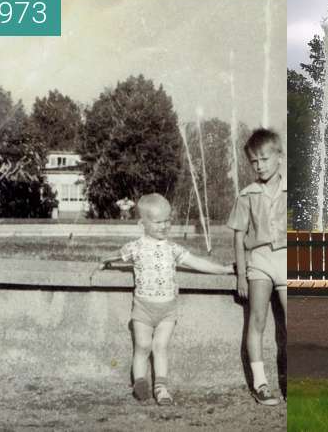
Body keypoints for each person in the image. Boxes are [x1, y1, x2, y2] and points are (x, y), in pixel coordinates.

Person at [100, 193, 233, 405]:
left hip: (168, 310)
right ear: (142, 223)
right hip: (143, 308)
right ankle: (140, 381)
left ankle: (161, 388)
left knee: (160, 347)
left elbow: (196, 262)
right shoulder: (136, 247)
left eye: (167, 220)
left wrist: (224, 270)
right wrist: (104, 261)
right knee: (143, 346)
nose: (164, 226)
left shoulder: (173, 248)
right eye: (157, 222)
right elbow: (117, 255)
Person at [227, 128, 286, 406]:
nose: (260, 165)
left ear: (279, 156)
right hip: (259, 261)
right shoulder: (247, 195)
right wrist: (241, 274)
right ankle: (261, 382)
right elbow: (238, 236)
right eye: (254, 161)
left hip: (286, 260)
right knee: (257, 320)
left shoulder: (291, 191)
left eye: (264, 158)